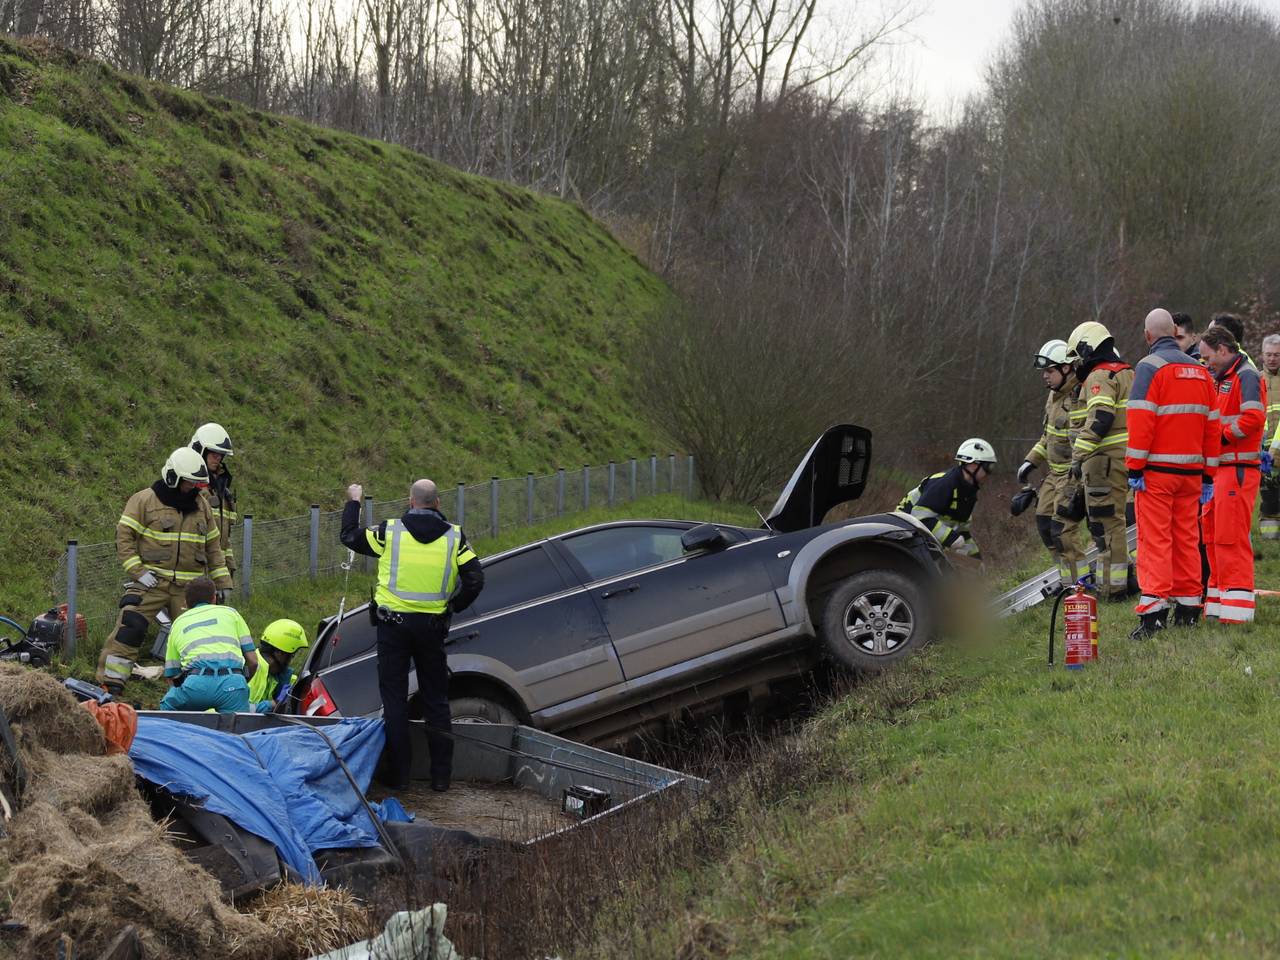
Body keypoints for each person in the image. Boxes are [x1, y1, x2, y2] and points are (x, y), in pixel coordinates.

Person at [340, 478, 484, 791]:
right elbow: (475, 579)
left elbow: (349, 536)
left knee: (394, 701)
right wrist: (452, 607)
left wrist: (353, 501)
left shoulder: (389, 532)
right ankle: (441, 778)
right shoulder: (454, 537)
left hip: (393, 628)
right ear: (438, 503)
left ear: (410, 500)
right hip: (432, 630)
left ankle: (400, 777)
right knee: (436, 700)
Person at [96, 449, 232, 695]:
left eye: (195, 484)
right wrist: (138, 572)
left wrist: (223, 583)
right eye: (188, 482)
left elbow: (214, 547)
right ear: (173, 477)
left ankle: (194, 688)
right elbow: (124, 538)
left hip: (189, 590)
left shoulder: (201, 506)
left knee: (196, 637)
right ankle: (110, 684)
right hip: (151, 582)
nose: (192, 488)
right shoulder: (144, 500)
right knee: (131, 626)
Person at [1124, 309, 1219, 638]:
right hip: (1192, 474)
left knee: (1154, 541)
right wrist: (1208, 474)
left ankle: (1153, 613)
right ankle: (1189, 608)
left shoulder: (1149, 368)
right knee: (1187, 539)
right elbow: (1212, 426)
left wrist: (1134, 467)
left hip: (1156, 473)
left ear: (1148, 336)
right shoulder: (1201, 370)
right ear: (1174, 333)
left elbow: (1140, 420)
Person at [1061, 320, 1134, 601]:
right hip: (1125, 461)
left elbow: (1100, 418)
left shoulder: (1099, 376)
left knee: (1106, 526)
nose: (1078, 364)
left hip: (1103, 462)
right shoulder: (1128, 373)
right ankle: (1122, 582)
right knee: (1116, 523)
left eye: (1078, 357)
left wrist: (1078, 456)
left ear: (1087, 349)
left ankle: (1113, 589)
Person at [1200, 325, 1267, 623]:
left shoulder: (1246, 376)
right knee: (1213, 536)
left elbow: (1254, 417)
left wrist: (1222, 438)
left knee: (1231, 538)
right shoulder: (1222, 377)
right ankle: (1216, 604)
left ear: (1223, 350)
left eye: (1207, 357)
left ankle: (1237, 612)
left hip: (1237, 469)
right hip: (1220, 469)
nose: (1205, 363)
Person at [1016, 340, 1085, 585]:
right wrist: (1031, 461)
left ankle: (1081, 584)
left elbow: (1083, 443)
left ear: (1066, 369)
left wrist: (1077, 481)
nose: (1045, 376)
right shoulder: (1053, 396)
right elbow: (1047, 436)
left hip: (1071, 475)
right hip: (1053, 474)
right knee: (1045, 524)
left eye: (1050, 371)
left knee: (1063, 531)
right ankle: (1066, 582)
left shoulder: (1078, 397)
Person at [160, 577, 259, 712]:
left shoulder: (178, 623)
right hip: (233, 684)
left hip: (196, 685)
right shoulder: (231, 614)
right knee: (237, 729)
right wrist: (238, 681)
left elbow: (172, 674)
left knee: (169, 708)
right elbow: (253, 661)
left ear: (186, 603)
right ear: (214, 598)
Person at [899, 439, 997, 561]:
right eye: (988, 467)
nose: (990, 472)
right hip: (905, 531)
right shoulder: (945, 483)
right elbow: (920, 518)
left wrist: (975, 559)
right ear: (973, 465)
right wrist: (951, 538)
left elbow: (961, 531)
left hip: (926, 534)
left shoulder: (969, 491)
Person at [191, 423, 238, 584]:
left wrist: (228, 568)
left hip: (217, 571)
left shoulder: (223, 492)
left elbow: (225, 537)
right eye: (214, 454)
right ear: (200, 451)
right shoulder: (189, 489)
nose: (218, 459)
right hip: (195, 572)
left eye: (221, 455)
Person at [248, 619, 309, 713]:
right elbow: (236, 709)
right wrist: (272, 704)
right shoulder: (248, 669)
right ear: (279, 653)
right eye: (291, 656)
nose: (289, 662)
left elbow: (293, 682)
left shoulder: (276, 675)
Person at [1258, 335, 1280, 540]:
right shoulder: (1256, 380)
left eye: (1276, 355)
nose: (1272, 359)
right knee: (1269, 499)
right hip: (1265, 453)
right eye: (1269, 354)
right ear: (1262, 355)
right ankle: (1270, 542)